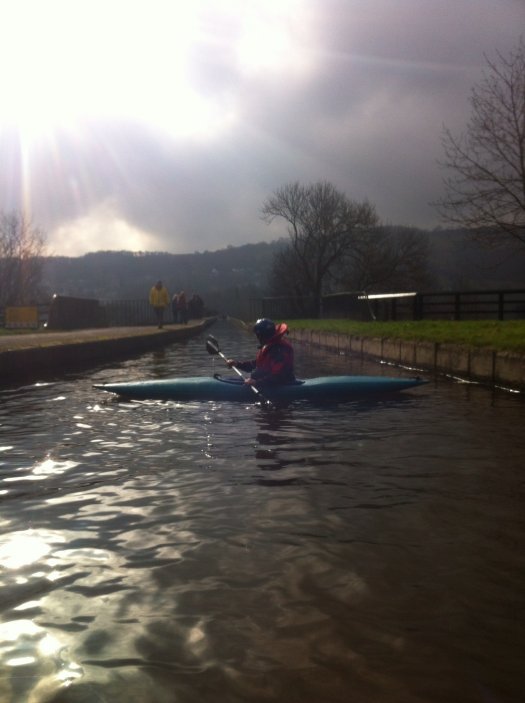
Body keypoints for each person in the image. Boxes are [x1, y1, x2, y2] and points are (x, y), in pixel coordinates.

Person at [227, 318, 296, 386]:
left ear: (263, 335)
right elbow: (256, 364)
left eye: (258, 336)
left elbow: (279, 376)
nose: (258, 338)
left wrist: (257, 383)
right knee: (230, 379)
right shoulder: (270, 346)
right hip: (264, 381)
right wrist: (237, 364)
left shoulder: (280, 349)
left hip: (279, 385)